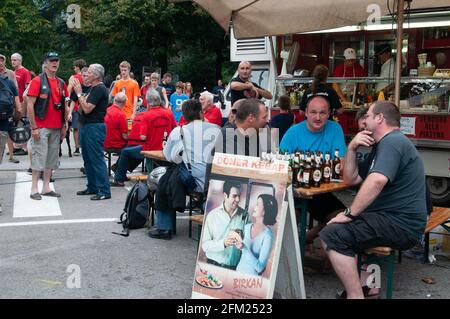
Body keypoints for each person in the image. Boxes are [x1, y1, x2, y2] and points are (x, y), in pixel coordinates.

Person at [320, 100, 427, 299]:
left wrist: (349, 213)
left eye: (368, 116)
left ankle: (356, 295)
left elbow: (377, 180)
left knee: (331, 235)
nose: (364, 120)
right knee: (347, 228)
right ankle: (369, 287)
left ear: (379, 118)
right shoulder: (382, 145)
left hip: (401, 224)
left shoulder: (393, 142)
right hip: (394, 220)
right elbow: (350, 179)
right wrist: (351, 148)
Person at [149, 99, 221, 239]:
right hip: (215, 180)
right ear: (201, 112)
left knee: (166, 178)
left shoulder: (179, 131)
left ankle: (164, 226)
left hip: (192, 181)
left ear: (183, 115)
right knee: (172, 176)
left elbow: (169, 156)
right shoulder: (217, 129)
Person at [280, 95, 346, 241]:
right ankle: (289, 253)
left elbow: (340, 163)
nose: (317, 117)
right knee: (286, 218)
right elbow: (282, 164)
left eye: (322, 113)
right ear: (305, 113)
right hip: (294, 191)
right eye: (313, 112)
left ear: (329, 114)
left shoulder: (335, 128)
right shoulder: (293, 133)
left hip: (318, 191)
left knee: (343, 215)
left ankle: (309, 236)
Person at [111, 88, 176, 186]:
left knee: (125, 152)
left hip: (150, 150)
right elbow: (175, 130)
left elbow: (142, 137)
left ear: (148, 101)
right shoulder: (169, 113)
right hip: (165, 148)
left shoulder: (147, 115)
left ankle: (119, 179)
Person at [26, 52, 69, 200]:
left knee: (51, 158)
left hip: (56, 126)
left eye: (57, 60)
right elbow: (29, 105)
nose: (54, 63)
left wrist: (65, 125)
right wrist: (34, 127)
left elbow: (65, 105)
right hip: (41, 125)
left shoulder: (61, 83)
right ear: (45, 62)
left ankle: (46, 187)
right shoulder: (37, 80)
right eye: (51, 61)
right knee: (39, 157)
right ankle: (33, 189)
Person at [72, 63, 111, 200]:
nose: (86, 75)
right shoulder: (92, 89)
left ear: (95, 75)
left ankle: (104, 191)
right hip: (87, 125)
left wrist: (78, 94)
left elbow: (87, 108)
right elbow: (82, 109)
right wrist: (82, 98)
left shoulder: (100, 89)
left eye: (88, 73)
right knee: (87, 159)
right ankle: (92, 186)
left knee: (96, 159)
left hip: (94, 127)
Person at [202, 180, 249, 270]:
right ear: (225, 195)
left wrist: (243, 241)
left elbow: (248, 243)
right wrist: (223, 243)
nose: (238, 200)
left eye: (239, 196)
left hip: (235, 269)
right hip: (213, 266)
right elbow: (205, 245)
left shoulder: (245, 215)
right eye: (234, 196)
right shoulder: (213, 215)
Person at [235, 194, 278, 276]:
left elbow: (260, 268)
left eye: (258, 204)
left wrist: (244, 248)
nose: (254, 206)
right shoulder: (247, 227)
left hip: (252, 282)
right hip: (237, 274)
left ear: (265, 210)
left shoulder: (268, 235)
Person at [0, 53, 20, 163]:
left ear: (4, 61)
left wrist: (17, 108)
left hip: (7, 109)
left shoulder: (10, 73)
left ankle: (11, 155)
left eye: (1, 60)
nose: (0, 62)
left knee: (7, 133)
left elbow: (15, 89)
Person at [67, 59, 87, 155]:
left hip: (75, 106)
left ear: (78, 67)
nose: (74, 69)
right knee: (81, 127)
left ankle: (77, 148)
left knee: (75, 128)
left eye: (74, 67)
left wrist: (67, 101)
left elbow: (69, 90)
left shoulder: (74, 77)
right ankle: (83, 146)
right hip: (84, 106)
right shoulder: (87, 78)